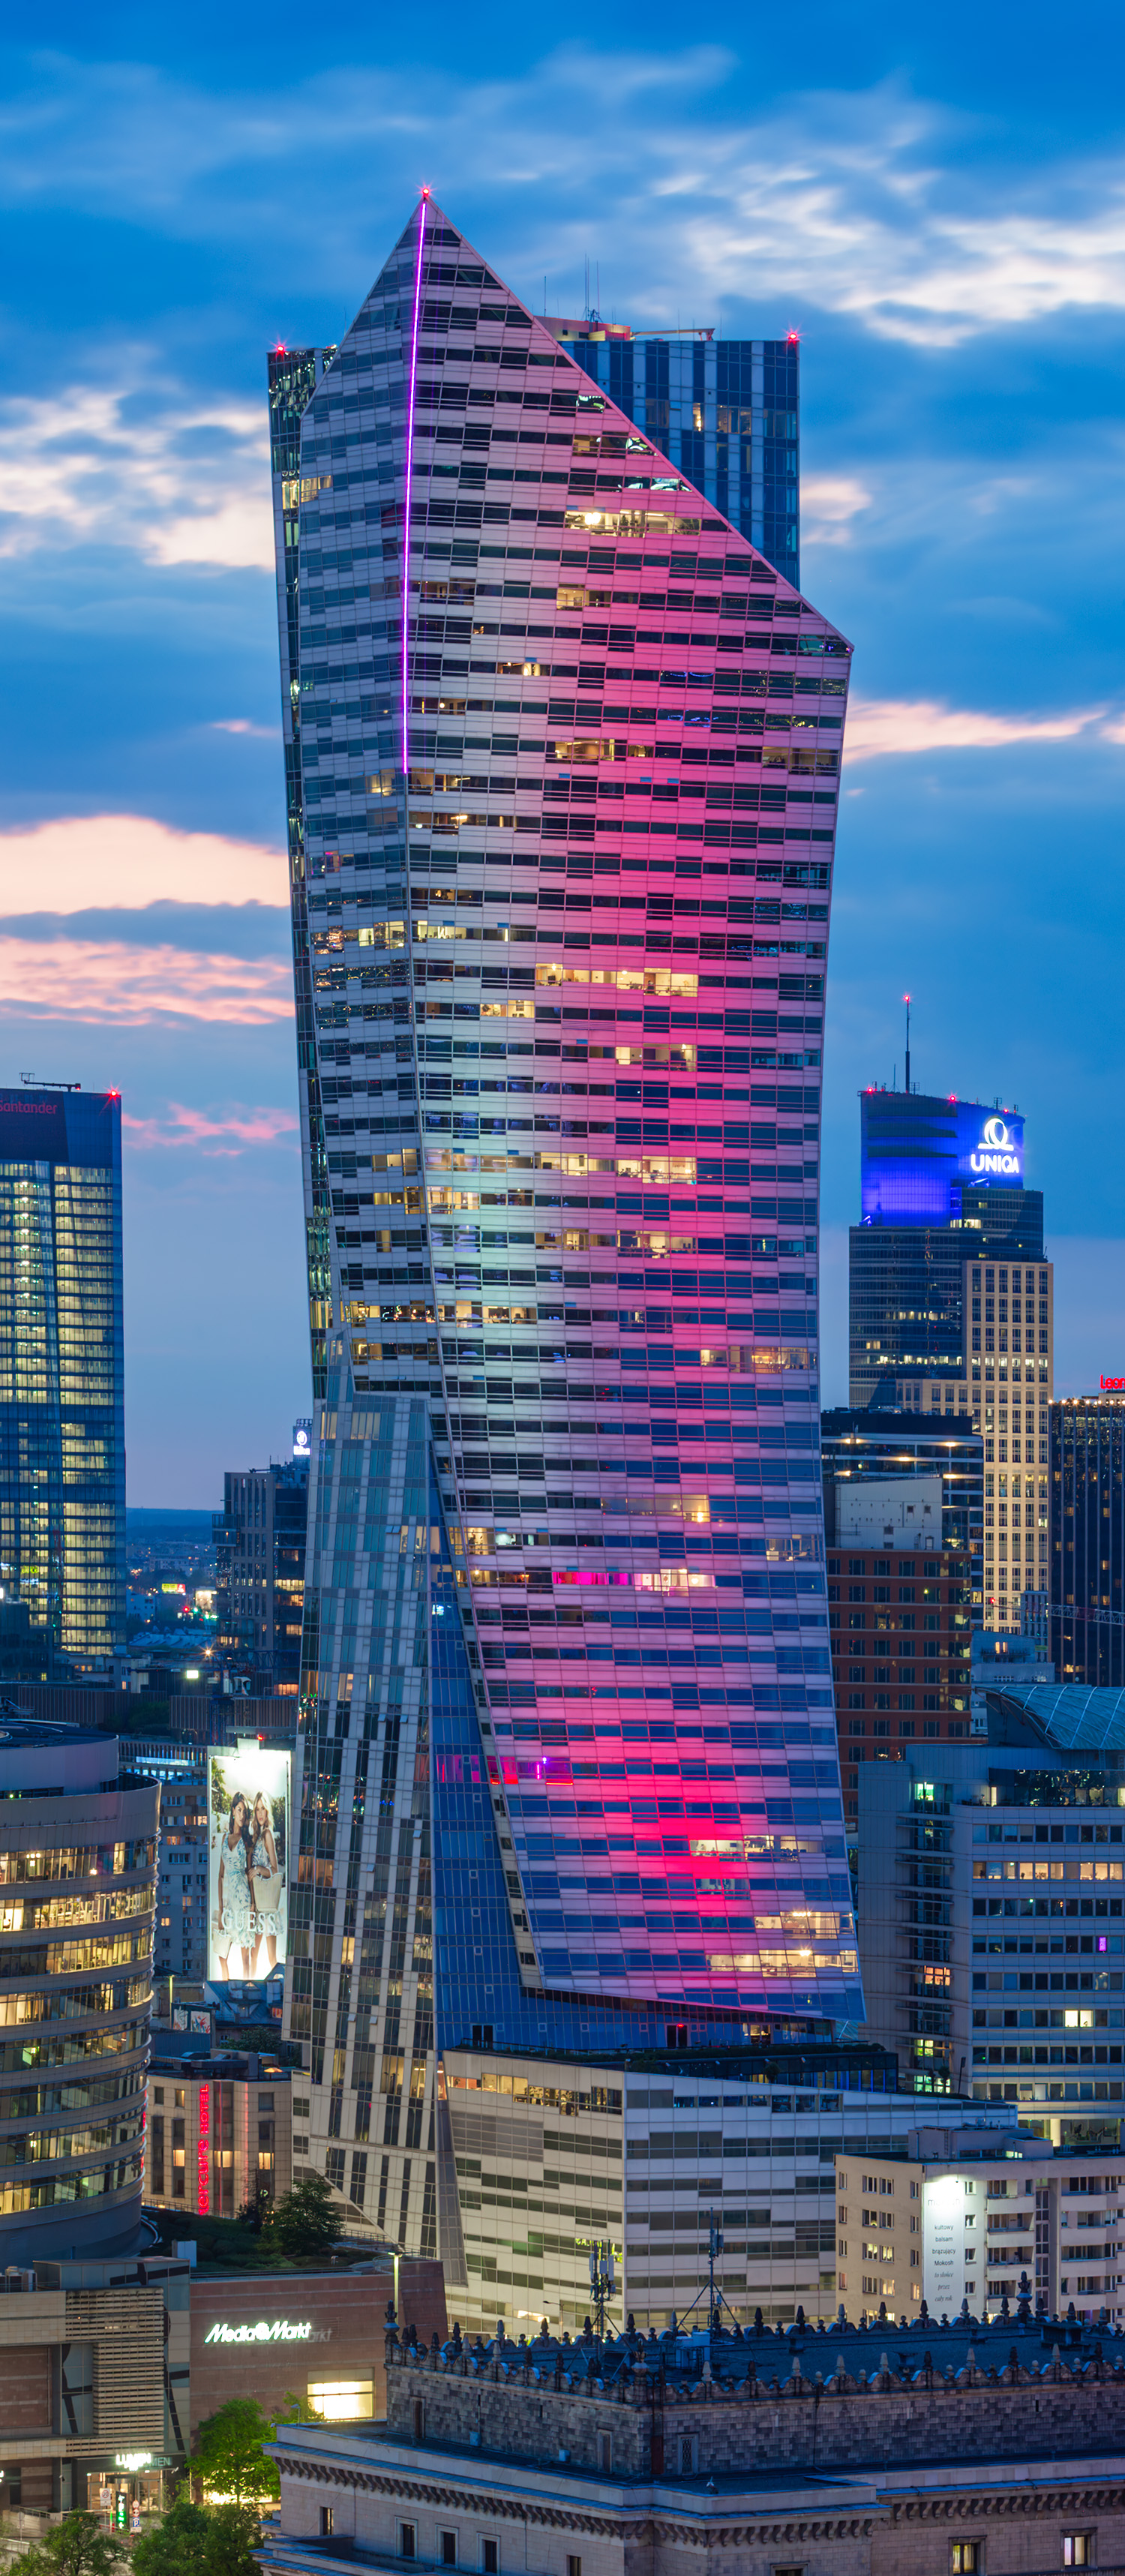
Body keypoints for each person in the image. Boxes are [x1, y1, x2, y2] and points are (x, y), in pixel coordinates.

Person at [215, 1793, 253, 1979]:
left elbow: (250, 1873)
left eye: (244, 1812)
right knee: (223, 1954)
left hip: (244, 1900)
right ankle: (226, 1985)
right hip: (229, 1904)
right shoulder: (224, 1839)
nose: (242, 1815)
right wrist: (221, 1909)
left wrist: (253, 1904)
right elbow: (220, 1876)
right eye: (239, 1810)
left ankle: (246, 1990)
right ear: (233, 1811)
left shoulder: (246, 1841)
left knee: (245, 1956)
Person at [250, 1789, 282, 1972]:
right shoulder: (257, 1836)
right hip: (258, 1905)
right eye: (257, 1809)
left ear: (267, 1811)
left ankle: (281, 1991)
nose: (260, 1813)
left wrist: (259, 1870)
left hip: (267, 1907)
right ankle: (251, 1987)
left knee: (272, 1958)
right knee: (254, 1954)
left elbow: (275, 1869)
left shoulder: (267, 1834)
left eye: (263, 1809)